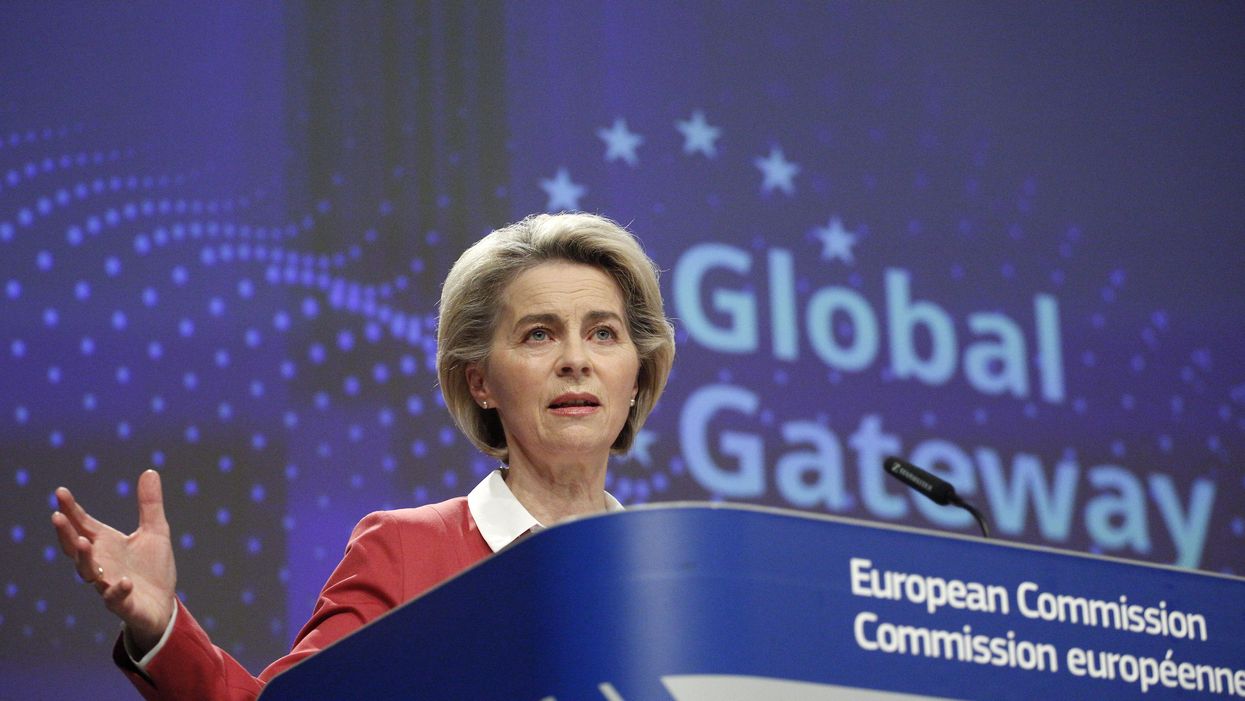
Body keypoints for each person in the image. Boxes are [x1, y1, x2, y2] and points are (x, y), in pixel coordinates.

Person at [51, 212, 676, 700]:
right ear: (480, 381)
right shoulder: (406, 552)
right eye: (539, 334)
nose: (576, 359)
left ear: (638, 371)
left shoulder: (679, 574)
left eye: (603, 333)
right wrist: (162, 628)